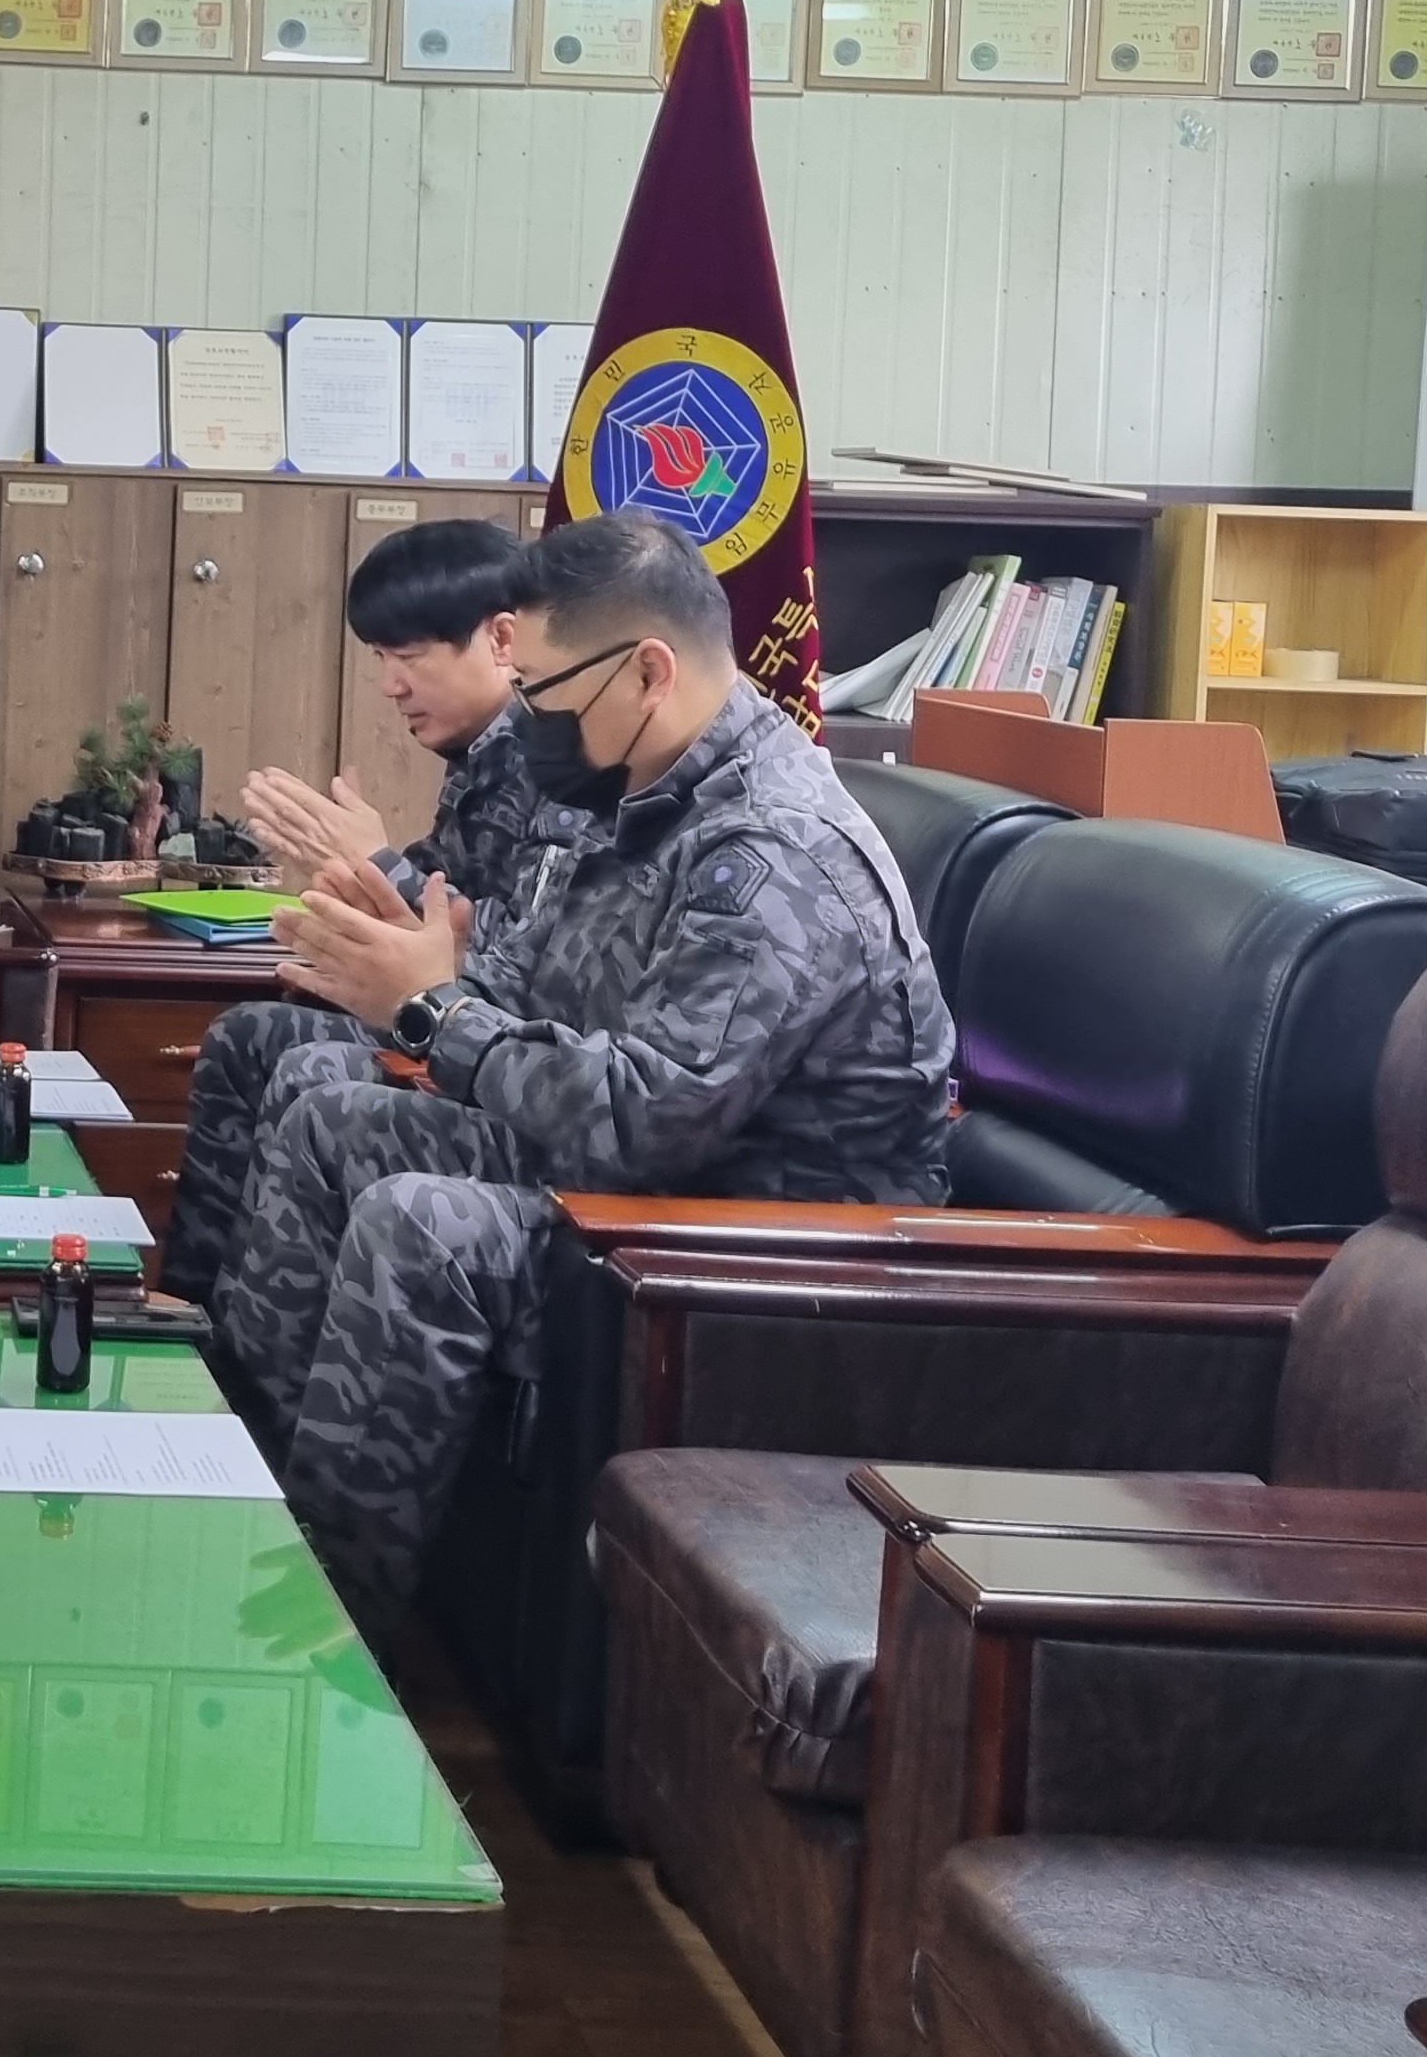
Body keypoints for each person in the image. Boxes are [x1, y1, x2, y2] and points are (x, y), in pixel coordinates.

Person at [209, 511, 952, 1627]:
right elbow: (525, 979)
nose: (530, 721)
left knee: (423, 1223)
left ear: (648, 671)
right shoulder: (631, 796)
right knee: (330, 1121)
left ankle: (324, 1630)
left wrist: (432, 1009)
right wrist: (418, 967)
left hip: (754, 1244)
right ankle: (243, 1488)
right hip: (642, 1185)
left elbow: (649, 1118)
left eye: (547, 693)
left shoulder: (772, 851)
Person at [162, 517, 604, 1301]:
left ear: (500, 640)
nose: (392, 685)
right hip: (460, 1021)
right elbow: (438, 894)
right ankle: (195, 1301)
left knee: (305, 1067)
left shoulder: (554, 760)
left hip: (508, 1048)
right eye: (380, 659)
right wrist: (348, 883)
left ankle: (244, 1320)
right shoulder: (483, 754)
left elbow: (512, 953)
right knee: (248, 1035)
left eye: (411, 657)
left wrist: (376, 865)